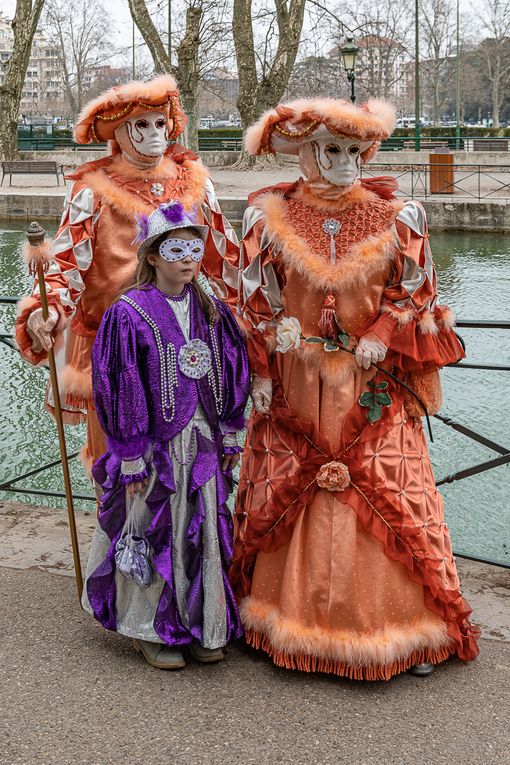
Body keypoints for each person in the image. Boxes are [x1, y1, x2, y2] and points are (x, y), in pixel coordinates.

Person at [230, 98, 480, 681]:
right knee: (294, 487)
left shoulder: (399, 216)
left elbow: (417, 289)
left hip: (372, 384)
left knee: (385, 488)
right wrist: (263, 370)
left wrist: (384, 328)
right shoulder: (267, 218)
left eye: (353, 151)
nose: (344, 162)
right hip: (297, 383)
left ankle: (403, 627)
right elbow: (252, 301)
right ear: (308, 155)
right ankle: (286, 620)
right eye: (331, 150)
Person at [15, 74, 239, 474]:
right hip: (115, 340)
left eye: (159, 122)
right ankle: (122, 533)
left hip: (184, 336)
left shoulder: (193, 182)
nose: (154, 133)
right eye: (141, 124)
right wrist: (43, 307)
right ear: (119, 130)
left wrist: (251, 318)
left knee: (185, 453)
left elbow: (224, 259)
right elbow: (67, 261)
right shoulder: (93, 189)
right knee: (119, 457)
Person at [82, 202, 250, 669]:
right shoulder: (129, 312)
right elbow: (119, 383)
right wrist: (131, 454)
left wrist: (232, 429)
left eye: (194, 248)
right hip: (155, 446)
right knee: (155, 525)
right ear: (153, 256)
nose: (188, 258)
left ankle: (202, 621)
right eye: (176, 249)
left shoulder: (211, 308)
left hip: (202, 438)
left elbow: (232, 367)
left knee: (201, 525)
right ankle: (148, 627)